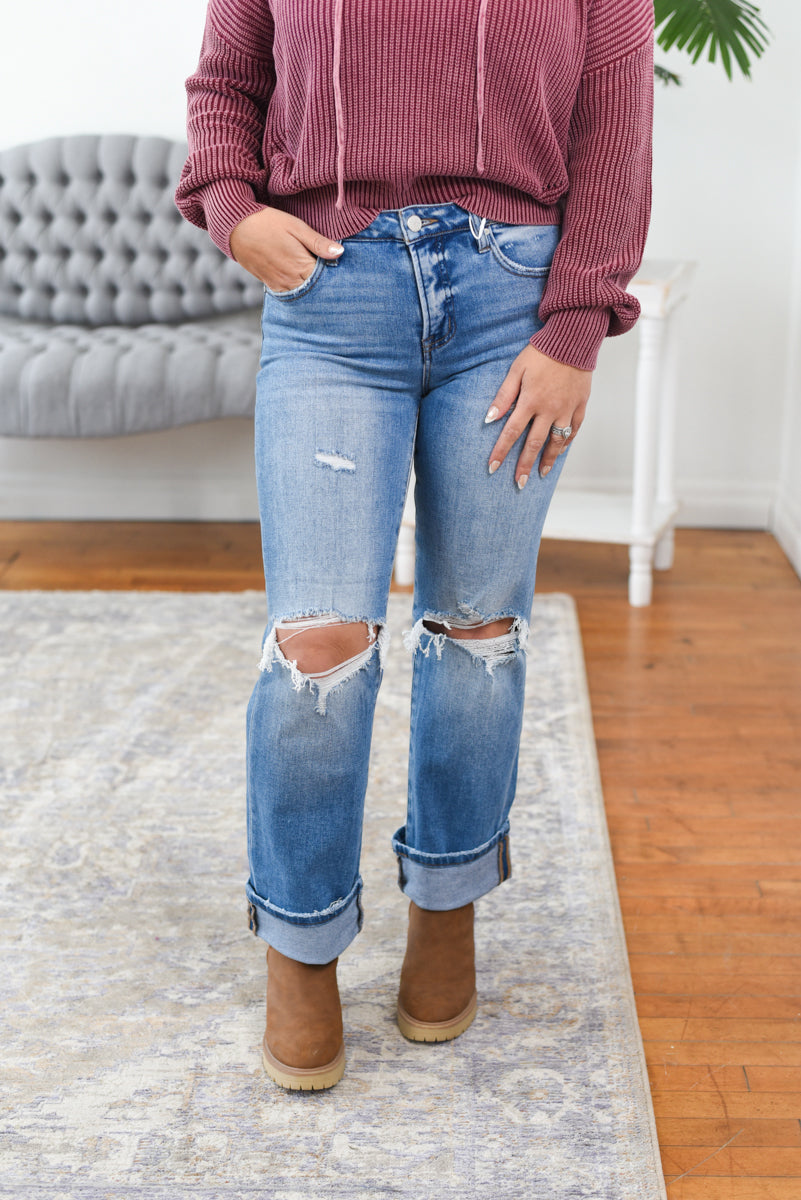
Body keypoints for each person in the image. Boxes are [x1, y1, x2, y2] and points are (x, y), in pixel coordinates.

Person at [175, 0, 654, 1091]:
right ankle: (301, 944)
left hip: (511, 310)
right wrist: (233, 210)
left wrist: (576, 327)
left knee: (478, 636)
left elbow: (615, 136)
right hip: (330, 301)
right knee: (318, 649)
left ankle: (447, 906)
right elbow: (226, 86)